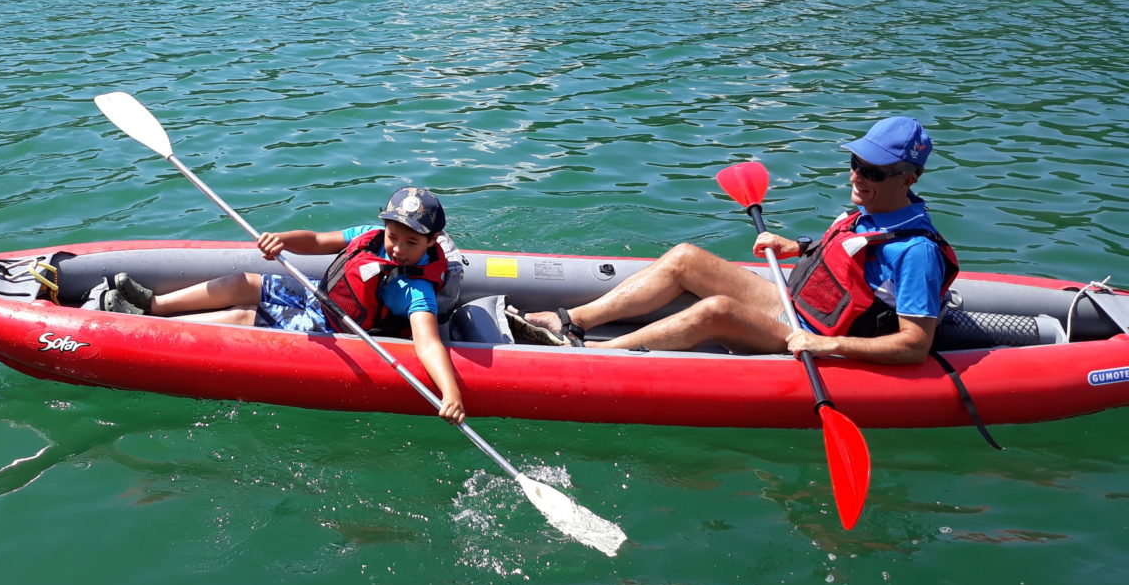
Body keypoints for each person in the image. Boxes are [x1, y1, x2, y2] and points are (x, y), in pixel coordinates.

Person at [524, 117, 958, 365]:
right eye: (856, 163)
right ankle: (572, 321)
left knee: (716, 311)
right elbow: (852, 256)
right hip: (798, 307)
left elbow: (914, 346)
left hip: (817, 338)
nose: (857, 177)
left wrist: (826, 344)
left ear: (909, 179)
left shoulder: (916, 252)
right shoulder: (870, 212)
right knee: (685, 258)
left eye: (874, 172)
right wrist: (797, 246)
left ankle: (593, 359)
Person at [103, 187, 468, 423]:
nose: (398, 248)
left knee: (245, 317)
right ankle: (156, 305)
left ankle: (152, 329)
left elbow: (427, 341)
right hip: (318, 297)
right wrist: (281, 240)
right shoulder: (369, 237)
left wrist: (450, 393)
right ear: (383, 225)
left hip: (335, 331)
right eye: (393, 236)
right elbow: (316, 240)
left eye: (411, 243)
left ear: (432, 241)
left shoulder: (413, 288)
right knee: (241, 282)